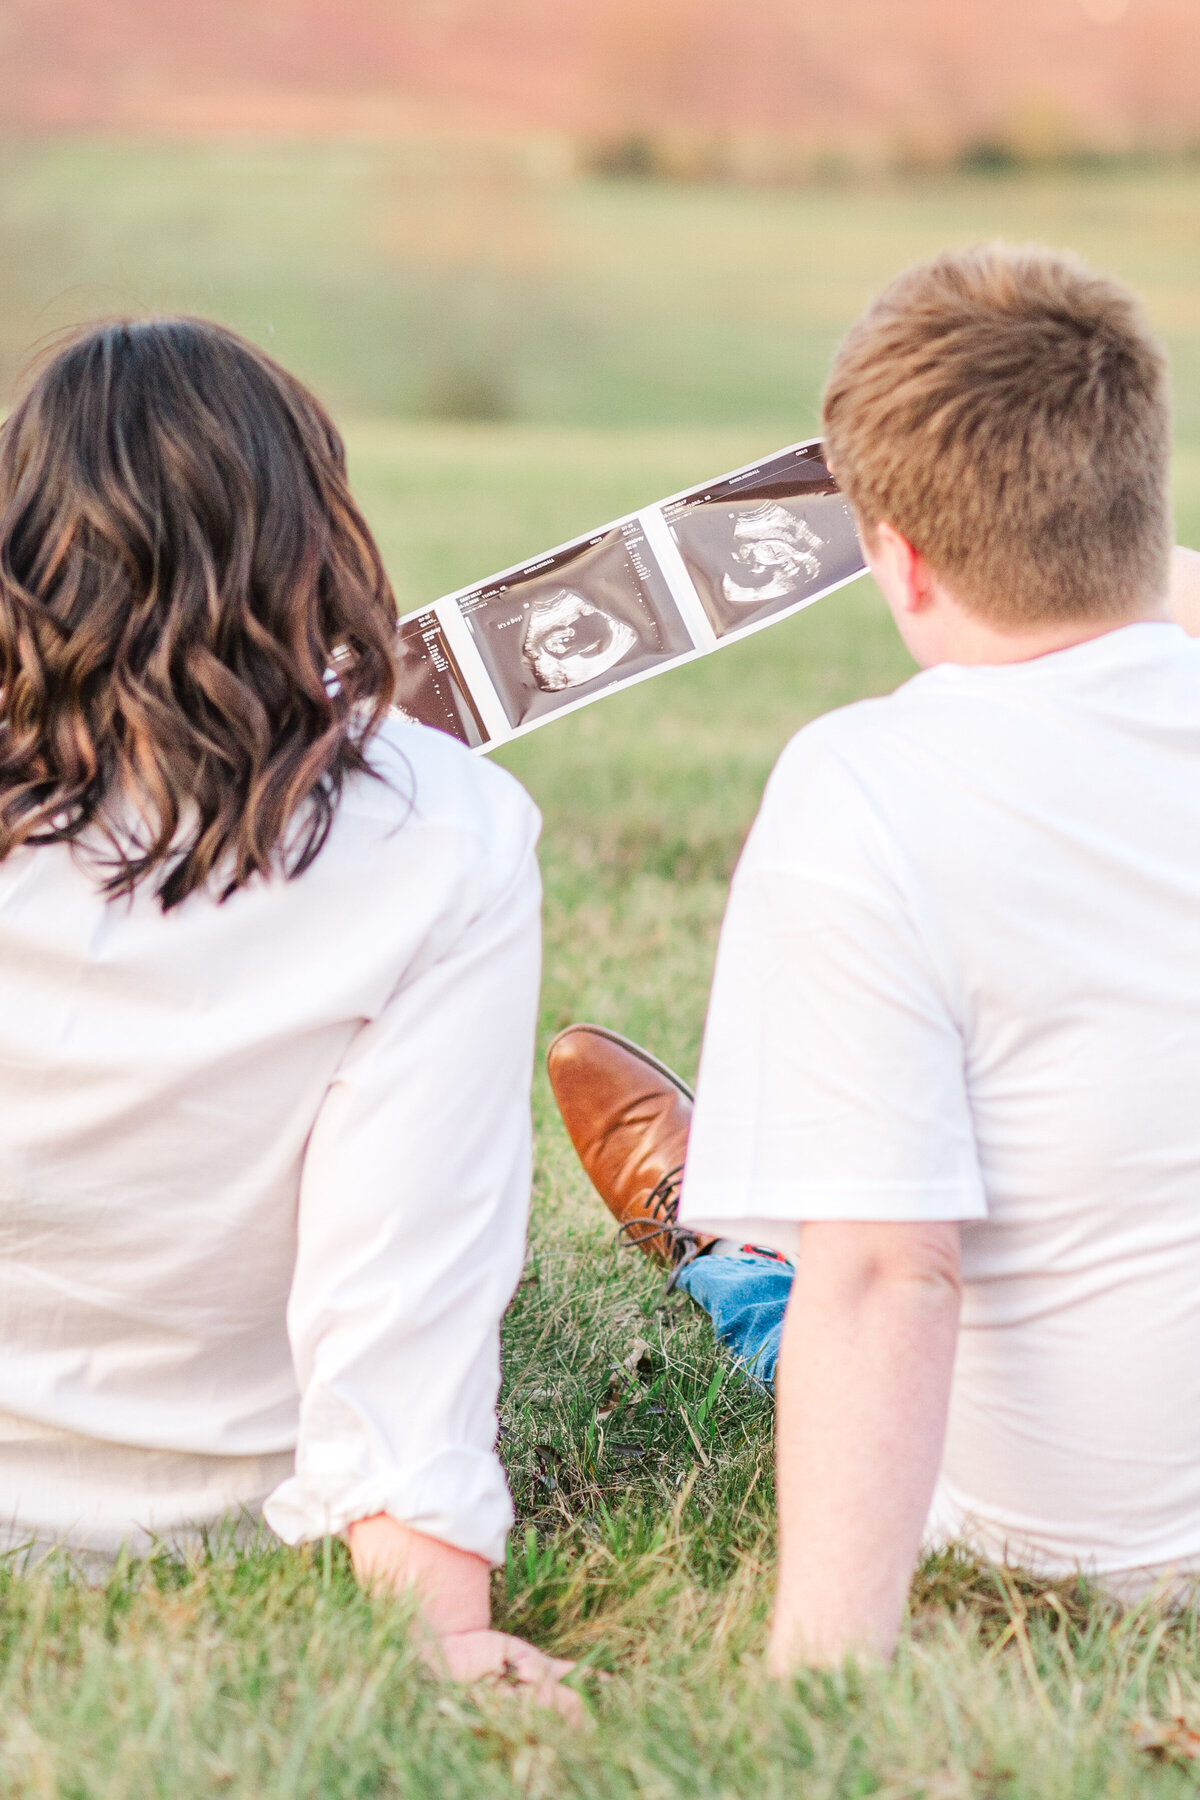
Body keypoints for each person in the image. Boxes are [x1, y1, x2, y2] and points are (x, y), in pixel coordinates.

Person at [548, 244, 1200, 1674]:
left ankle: (720, 1243)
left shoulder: (864, 785)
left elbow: (889, 1278)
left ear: (894, 556)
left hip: (1075, 1543)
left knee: (812, 1286)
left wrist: (821, 1683)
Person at [0, 318, 576, 1715]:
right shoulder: (445, 832)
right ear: (315, 540)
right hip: (254, 1501)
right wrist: (435, 1624)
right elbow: (408, 1270)